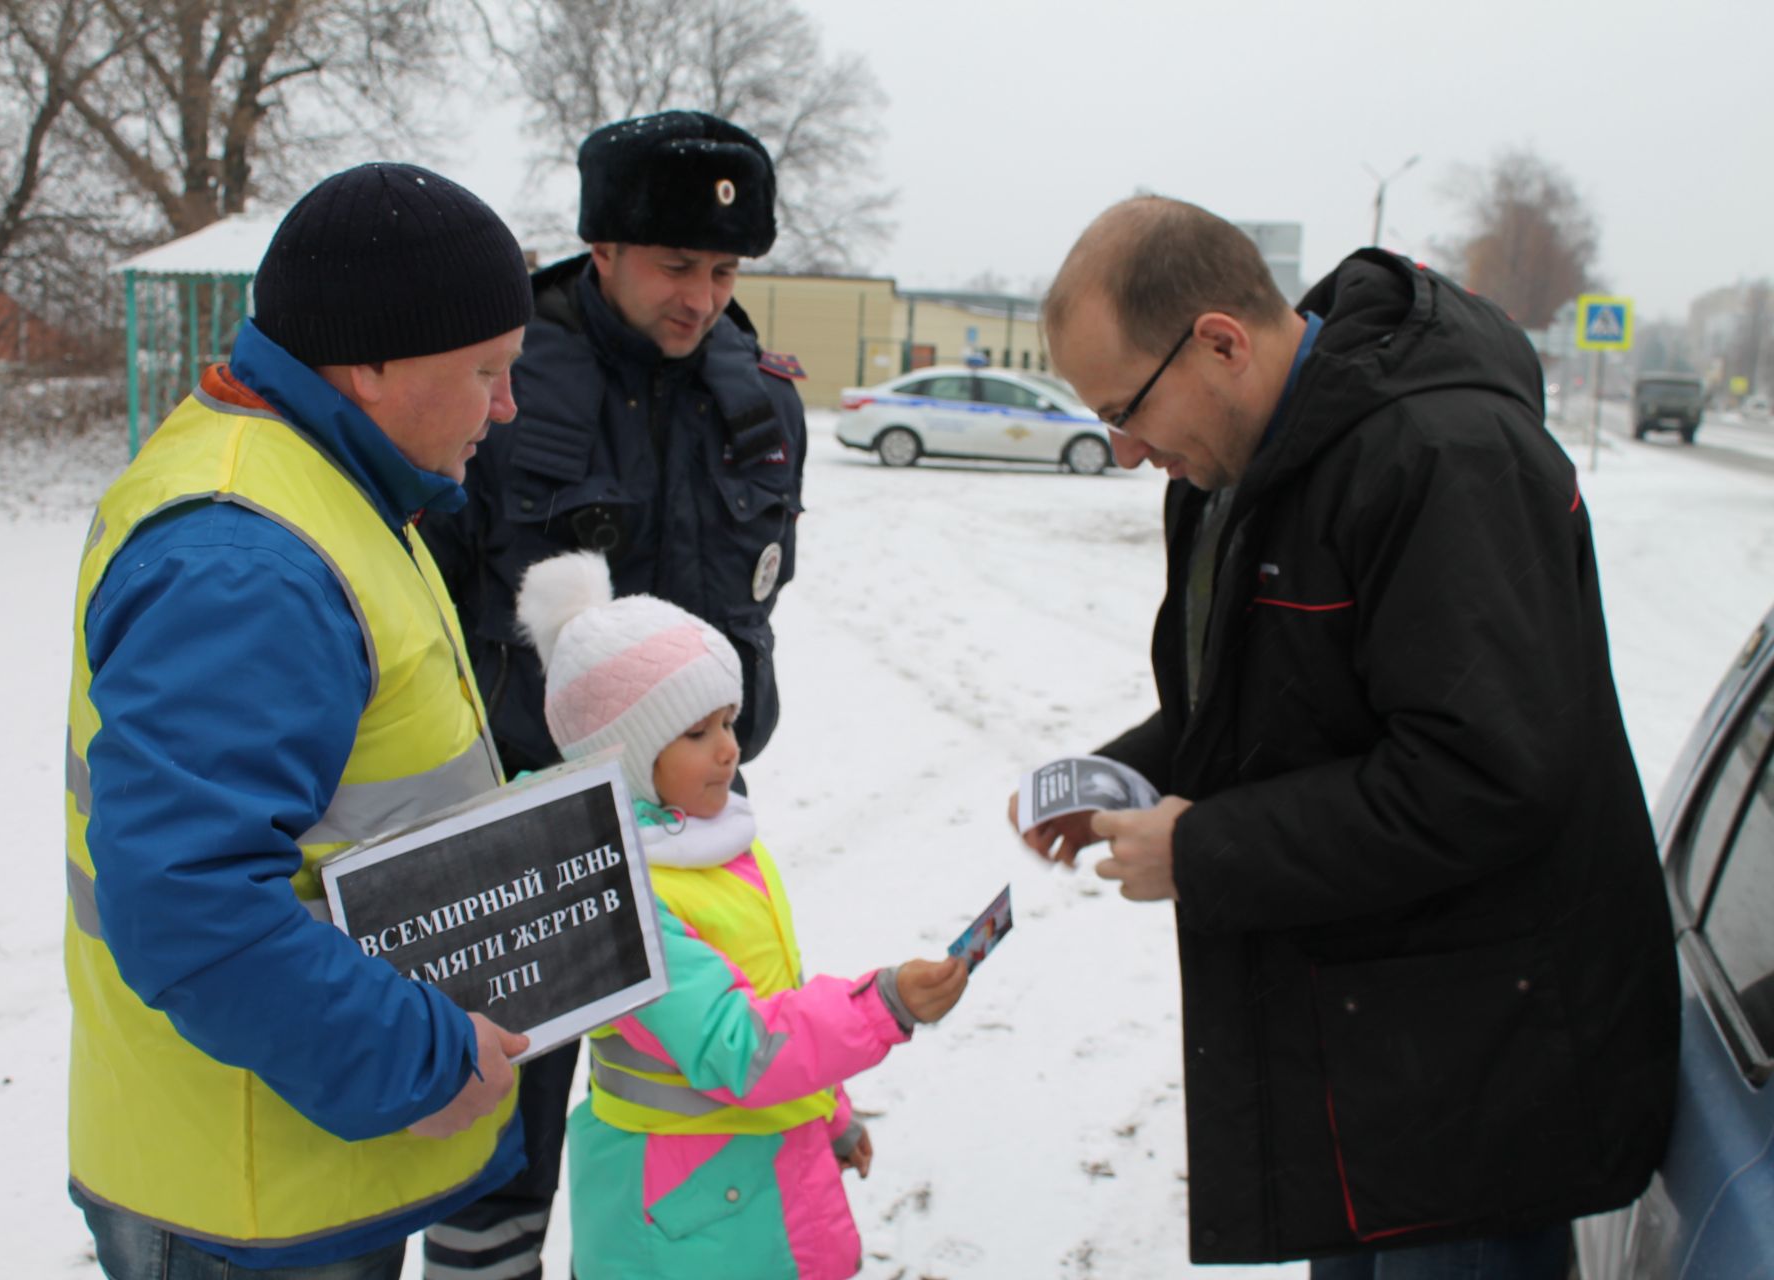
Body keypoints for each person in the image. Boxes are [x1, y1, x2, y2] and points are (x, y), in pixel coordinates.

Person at [1013, 196, 1680, 1276]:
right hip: (1363, 1058)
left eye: (1126, 409)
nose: (1125, 450)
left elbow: (1486, 774)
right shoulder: (1236, 467)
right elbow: (1250, 706)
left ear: (1220, 340)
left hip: (1475, 1082)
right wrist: (1126, 773)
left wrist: (1203, 850)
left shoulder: (1446, 457)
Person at [63, 162, 538, 1279]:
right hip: (244, 1194)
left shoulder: (329, 475)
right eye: (486, 371)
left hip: (300, 1155)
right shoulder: (246, 560)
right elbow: (189, 906)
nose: (507, 406)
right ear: (370, 365)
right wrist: (418, 1053)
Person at [420, 108, 808, 1279]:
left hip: (694, 829)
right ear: (603, 253)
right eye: (676, 265)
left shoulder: (760, 398)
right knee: (502, 1148)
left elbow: (758, 606)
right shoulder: (502, 385)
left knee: (686, 1117)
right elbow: (430, 596)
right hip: (528, 820)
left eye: (726, 269)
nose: (702, 296)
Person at [513, 550, 966, 1279]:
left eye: (727, 720)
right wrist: (882, 1007)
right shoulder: (621, 889)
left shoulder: (711, 846)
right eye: (697, 734)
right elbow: (735, 1045)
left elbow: (772, 991)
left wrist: (829, 1113)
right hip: (685, 1212)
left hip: (752, 1177)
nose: (729, 749)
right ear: (625, 757)